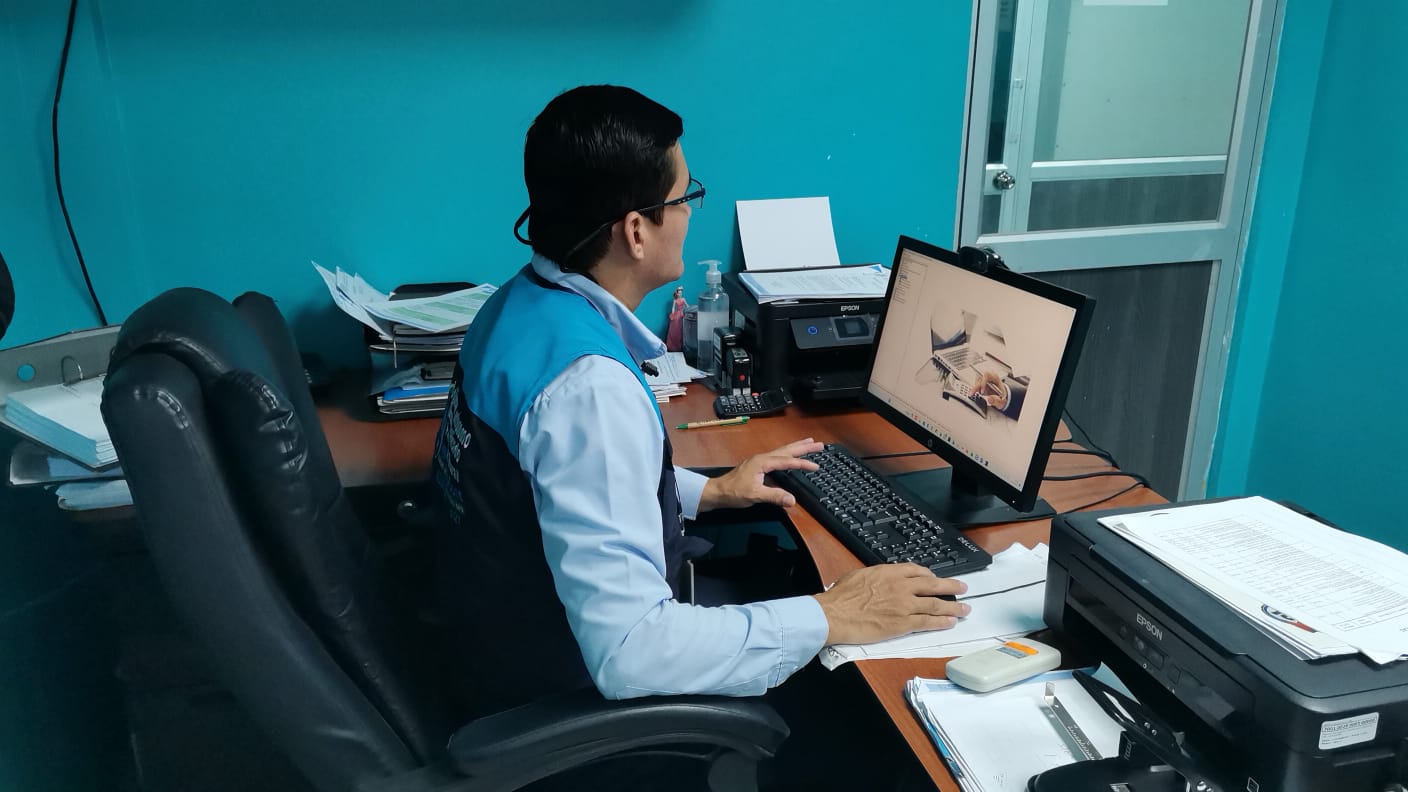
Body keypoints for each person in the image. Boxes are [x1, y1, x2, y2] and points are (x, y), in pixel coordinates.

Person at [430, 86, 969, 778]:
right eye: (686, 197)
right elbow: (633, 653)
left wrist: (704, 492)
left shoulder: (518, 308)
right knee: (872, 720)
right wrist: (830, 614)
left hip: (498, 637)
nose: (690, 213)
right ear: (636, 231)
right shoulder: (588, 388)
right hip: (566, 705)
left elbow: (554, 480)